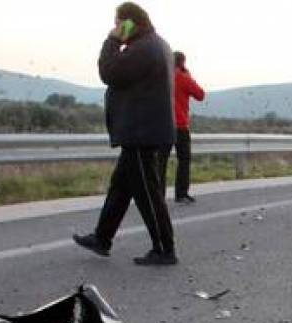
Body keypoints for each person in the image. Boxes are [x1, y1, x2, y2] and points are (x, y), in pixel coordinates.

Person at [73, 2, 178, 266]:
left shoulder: (143, 47)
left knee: (147, 193)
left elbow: (109, 73)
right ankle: (102, 238)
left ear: (129, 22)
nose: (116, 27)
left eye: (118, 22)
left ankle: (165, 249)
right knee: (121, 187)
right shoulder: (156, 43)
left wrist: (111, 40)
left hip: (142, 133)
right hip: (143, 131)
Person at [170, 52, 205, 203]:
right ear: (182, 63)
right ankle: (181, 193)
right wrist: (188, 75)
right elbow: (200, 94)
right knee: (184, 159)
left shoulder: (163, 77)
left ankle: (157, 194)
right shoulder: (184, 78)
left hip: (162, 125)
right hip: (180, 125)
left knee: (160, 161)